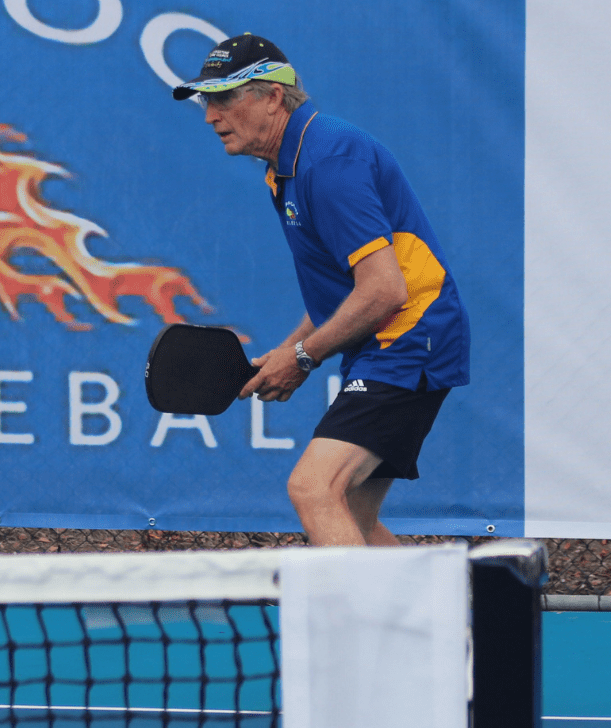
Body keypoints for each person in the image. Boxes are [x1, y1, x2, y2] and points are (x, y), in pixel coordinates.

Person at [172, 34, 470, 547]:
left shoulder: (327, 160)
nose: (210, 116)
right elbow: (347, 290)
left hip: (409, 337)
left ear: (272, 96)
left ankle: (374, 611)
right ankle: (443, 604)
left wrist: (303, 358)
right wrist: (290, 349)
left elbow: (384, 290)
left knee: (314, 488)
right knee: (350, 514)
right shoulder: (290, 165)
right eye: (206, 101)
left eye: (224, 98)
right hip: (392, 339)